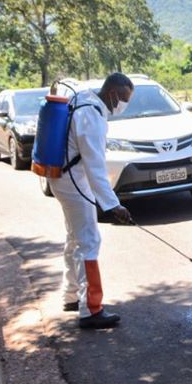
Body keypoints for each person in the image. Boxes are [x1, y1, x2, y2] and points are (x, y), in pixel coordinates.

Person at [50, 73, 134, 329]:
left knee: (74, 237)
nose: (124, 104)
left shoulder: (86, 100)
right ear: (111, 93)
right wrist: (113, 205)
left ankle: (71, 294)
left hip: (62, 177)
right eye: (124, 98)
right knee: (89, 241)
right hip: (73, 181)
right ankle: (91, 309)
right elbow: (95, 165)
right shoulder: (91, 116)